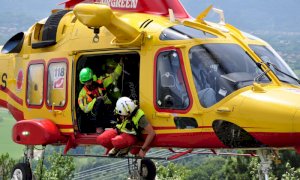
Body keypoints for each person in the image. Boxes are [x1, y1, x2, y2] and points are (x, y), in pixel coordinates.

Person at [78, 67, 111, 134]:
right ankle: (98, 126)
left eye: (89, 81)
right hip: (94, 114)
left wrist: (120, 65)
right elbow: (85, 109)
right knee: (99, 102)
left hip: (107, 108)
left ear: (92, 78)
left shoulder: (100, 82)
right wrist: (95, 100)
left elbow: (113, 76)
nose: (88, 83)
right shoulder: (82, 94)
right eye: (86, 82)